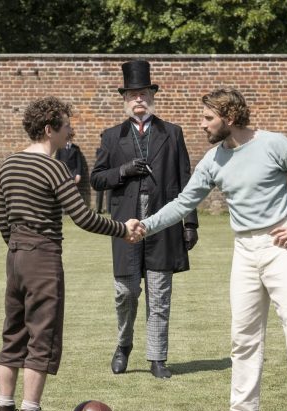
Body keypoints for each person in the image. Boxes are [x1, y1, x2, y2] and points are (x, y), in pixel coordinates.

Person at [139, 89, 287, 411]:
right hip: (243, 251)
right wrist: (145, 226)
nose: (202, 125)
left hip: (280, 247)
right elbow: (183, 203)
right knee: (243, 338)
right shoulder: (213, 160)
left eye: (208, 118)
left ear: (229, 118)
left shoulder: (274, 144)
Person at [0, 96, 144, 411]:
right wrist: (122, 229)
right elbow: (83, 217)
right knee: (41, 338)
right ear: (49, 129)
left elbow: (1, 219)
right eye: (66, 126)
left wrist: (19, 247)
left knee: (13, 336)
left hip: (15, 256)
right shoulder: (54, 167)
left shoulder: (8, 165)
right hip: (43, 259)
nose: (70, 132)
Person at [90, 60, 199, 379]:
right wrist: (122, 171)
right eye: (132, 94)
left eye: (144, 93)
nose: (138, 99)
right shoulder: (112, 136)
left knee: (159, 293)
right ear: (125, 100)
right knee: (125, 292)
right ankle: (124, 345)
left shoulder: (172, 133)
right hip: (124, 224)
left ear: (152, 96)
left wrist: (190, 223)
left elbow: (187, 182)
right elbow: (97, 179)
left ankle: (157, 357)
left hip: (163, 222)